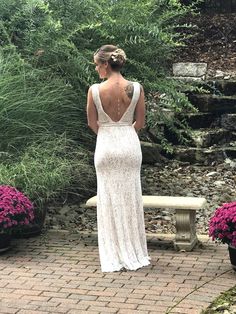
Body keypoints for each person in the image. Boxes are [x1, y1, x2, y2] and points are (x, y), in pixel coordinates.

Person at [86, 44, 151, 272]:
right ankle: (133, 251)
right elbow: (140, 123)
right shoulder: (136, 88)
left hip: (106, 145)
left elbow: (92, 124)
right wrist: (123, 132)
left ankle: (113, 252)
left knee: (109, 198)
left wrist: (108, 134)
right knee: (131, 197)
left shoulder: (94, 90)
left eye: (97, 65)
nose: (96, 70)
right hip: (129, 144)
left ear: (105, 64)